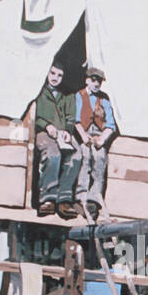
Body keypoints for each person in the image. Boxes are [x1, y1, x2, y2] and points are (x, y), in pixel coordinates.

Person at [33, 63, 81, 219]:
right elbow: (36, 115)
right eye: (52, 73)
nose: (55, 78)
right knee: (53, 154)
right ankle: (48, 198)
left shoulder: (67, 95)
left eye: (59, 75)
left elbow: (70, 117)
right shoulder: (39, 91)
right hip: (44, 132)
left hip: (62, 133)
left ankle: (64, 199)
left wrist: (68, 131)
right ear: (47, 73)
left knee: (76, 155)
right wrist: (47, 126)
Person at [73, 67, 117, 219]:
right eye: (93, 80)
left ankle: (94, 195)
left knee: (100, 158)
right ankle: (81, 195)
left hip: (98, 135)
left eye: (99, 81)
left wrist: (102, 139)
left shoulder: (104, 99)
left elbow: (111, 125)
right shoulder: (80, 95)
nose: (96, 84)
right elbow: (76, 120)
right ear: (87, 80)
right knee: (85, 157)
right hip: (83, 134)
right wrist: (84, 136)